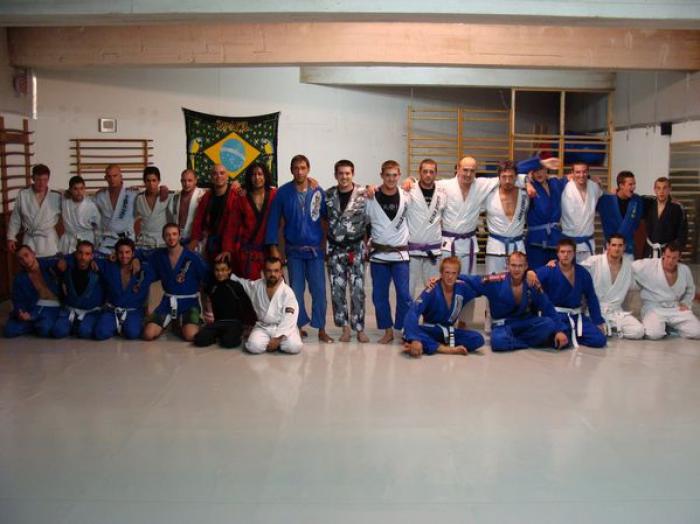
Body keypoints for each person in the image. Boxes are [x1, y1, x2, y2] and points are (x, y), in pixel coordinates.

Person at [265, 154, 333, 342]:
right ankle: (298, 325)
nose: (300, 171)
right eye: (296, 168)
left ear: (308, 169)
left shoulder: (317, 191)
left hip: (315, 251)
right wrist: (273, 246)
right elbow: (273, 221)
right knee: (295, 291)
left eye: (303, 168)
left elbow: (328, 217)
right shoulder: (283, 193)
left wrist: (329, 246)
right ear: (291, 170)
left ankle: (321, 328)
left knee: (319, 290)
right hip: (294, 251)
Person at [461, 251, 568, 351]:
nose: (517, 269)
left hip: (525, 322)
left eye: (520, 266)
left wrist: (560, 330)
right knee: (497, 341)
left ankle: (514, 341)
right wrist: (453, 277)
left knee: (548, 324)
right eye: (513, 265)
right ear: (507, 265)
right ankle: (531, 342)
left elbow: (547, 306)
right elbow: (472, 280)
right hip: (503, 324)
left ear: (526, 266)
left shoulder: (531, 282)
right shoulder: (495, 281)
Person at [366, 160, 412, 344]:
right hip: (379, 255)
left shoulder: (406, 196)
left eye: (394, 175)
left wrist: (412, 179)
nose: (391, 179)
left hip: (400, 255)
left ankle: (403, 328)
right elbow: (353, 190)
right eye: (387, 175)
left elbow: (429, 185)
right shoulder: (371, 197)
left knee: (404, 295)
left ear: (399, 175)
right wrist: (368, 187)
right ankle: (387, 330)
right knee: (379, 296)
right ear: (381, 176)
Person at [403, 256, 484, 358]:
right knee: (408, 332)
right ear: (441, 273)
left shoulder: (462, 289)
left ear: (458, 274)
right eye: (447, 272)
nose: (450, 277)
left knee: (477, 338)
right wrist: (414, 339)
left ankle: (427, 345)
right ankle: (444, 349)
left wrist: (462, 278)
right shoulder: (432, 289)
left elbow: (481, 285)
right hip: (430, 331)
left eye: (454, 273)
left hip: (448, 333)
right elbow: (413, 312)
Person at [325, 159, 370, 343]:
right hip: (335, 249)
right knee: (337, 290)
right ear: (335, 175)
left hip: (356, 248)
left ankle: (359, 328)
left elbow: (370, 220)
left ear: (353, 174)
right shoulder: (328, 195)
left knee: (357, 290)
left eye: (347, 173)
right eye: (341, 173)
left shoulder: (364, 194)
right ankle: (344, 328)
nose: (344, 177)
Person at [536, 238, 607, 348]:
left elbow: (591, 297)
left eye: (569, 252)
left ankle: (569, 334)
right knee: (554, 339)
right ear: (557, 254)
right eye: (562, 252)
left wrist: (598, 321)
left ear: (574, 254)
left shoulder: (582, 273)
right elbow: (530, 278)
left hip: (576, 317)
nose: (566, 255)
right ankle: (565, 334)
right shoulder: (549, 270)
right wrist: (530, 273)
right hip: (556, 316)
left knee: (599, 339)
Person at [143, 223, 208, 342]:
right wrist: (136, 260)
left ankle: (184, 322)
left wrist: (207, 308)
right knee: (148, 334)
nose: (171, 237)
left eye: (174, 234)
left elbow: (206, 279)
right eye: (167, 235)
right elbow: (140, 253)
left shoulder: (193, 257)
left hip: (189, 303)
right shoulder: (158, 255)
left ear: (179, 236)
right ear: (163, 237)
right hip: (167, 303)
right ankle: (171, 322)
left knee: (191, 335)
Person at [230, 257, 304, 354]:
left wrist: (278, 339)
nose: (272, 274)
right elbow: (243, 283)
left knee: (294, 346)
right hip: (264, 327)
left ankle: (276, 342)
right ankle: (275, 344)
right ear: (264, 272)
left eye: (276, 271)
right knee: (253, 346)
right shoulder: (257, 286)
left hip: (282, 327)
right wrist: (230, 276)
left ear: (281, 272)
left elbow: (290, 318)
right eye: (269, 271)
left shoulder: (287, 292)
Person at [218, 162, 277, 280]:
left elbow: (292, 190)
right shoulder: (242, 198)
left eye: (260, 174)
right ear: (249, 178)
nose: (257, 177)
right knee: (251, 287)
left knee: (275, 286)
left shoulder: (274, 195)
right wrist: (227, 249)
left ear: (265, 176)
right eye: (253, 175)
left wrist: (310, 181)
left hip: (270, 250)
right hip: (249, 253)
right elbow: (231, 226)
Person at [579, 234, 644, 339]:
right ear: (608, 246)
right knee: (592, 331)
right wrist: (555, 263)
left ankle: (611, 330)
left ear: (624, 247)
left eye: (620, 245)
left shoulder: (628, 266)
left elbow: (644, 277)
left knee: (638, 331)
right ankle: (608, 329)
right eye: (614, 245)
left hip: (616, 312)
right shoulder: (594, 261)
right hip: (596, 311)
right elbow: (575, 269)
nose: (617, 249)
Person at [632, 242, 700, 339]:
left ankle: (670, 328)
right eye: (668, 257)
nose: (670, 261)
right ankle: (661, 327)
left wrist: (685, 302)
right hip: (654, 307)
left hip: (675, 307)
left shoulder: (684, 270)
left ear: (679, 257)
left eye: (674, 258)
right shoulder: (650, 265)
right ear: (663, 254)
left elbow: (690, 289)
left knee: (697, 332)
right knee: (653, 334)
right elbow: (629, 267)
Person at [93, 238, 155, 340]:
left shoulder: (143, 269)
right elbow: (92, 254)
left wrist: (138, 257)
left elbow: (157, 254)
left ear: (133, 253)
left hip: (133, 311)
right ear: (116, 253)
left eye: (127, 252)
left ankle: (123, 326)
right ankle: (116, 326)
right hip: (112, 311)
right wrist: (108, 256)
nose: (124, 256)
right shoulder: (109, 265)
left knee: (133, 333)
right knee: (100, 333)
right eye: (120, 252)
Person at [404, 158, 446, 298]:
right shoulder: (409, 190)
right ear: (419, 172)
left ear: (436, 174)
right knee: (407, 291)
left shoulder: (442, 192)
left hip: (433, 249)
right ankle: (408, 313)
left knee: (433, 291)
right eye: (425, 171)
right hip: (412, 250)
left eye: (431, 172)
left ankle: (431, 313)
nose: (428, 175)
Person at [3, 245, 61, 338]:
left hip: (52, 306)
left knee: (44, 329)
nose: (25, 260)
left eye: (26, 255)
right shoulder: (19, 278)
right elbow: (17, 299)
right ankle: (36, 321)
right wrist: (20, 313)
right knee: (9, 330)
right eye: (21, 259)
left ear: (33, 254)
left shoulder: (49, 265)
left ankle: (38, 322)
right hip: (34, 306)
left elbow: (69, 259)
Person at [194, 258, 254, 349]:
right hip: (218, 322)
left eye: (223, 270)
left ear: (229, 270)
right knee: (199, 339)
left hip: (234, 323)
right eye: (217, 270)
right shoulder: (212, 286)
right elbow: (203, 295)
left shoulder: (235, 286)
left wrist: (244, 325)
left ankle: (229, 335)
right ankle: (219, 335)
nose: (220, 273)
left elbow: (246, 305)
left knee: (228, 342)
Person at [519, 155, 566, 269]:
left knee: (554, 274)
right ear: (531, 172)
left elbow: (575, 177)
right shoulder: (529, 186)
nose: (539, 173)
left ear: (547, 170)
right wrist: (541, 162)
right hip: (536, 241)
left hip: (554, 240)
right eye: (535, 170)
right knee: (535, 275)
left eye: (542, 169)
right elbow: (517, 168)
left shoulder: (555, 183)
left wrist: (591, 178)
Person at [51, 240, 104, 339]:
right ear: (75, 254)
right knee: (58, 332)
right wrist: (63, 259)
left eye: (87, 254)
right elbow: (56, 259)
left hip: (90, 312)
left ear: (92, 256)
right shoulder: (68, 268)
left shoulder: (98, 269)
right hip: (70, 310)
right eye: (80, 253)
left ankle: (77, 326)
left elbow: (108, 257)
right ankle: (74, 325)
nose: (83, 257)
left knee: (85, 332)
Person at [7, 163, 62, 257]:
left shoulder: (56, 196)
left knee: (51, 264)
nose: (42, 183)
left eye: (45, 180)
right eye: (39, 179)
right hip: (30, 240)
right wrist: (11, 237)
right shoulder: (24, 195)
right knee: (29, 263)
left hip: (49, 241)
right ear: (33, 178)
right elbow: (16, 217)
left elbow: (70, 212)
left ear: (48, 179)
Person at [484, 161, 529, 274]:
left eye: (511, 177)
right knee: (493, 281)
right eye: (504, 177)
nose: (507, 181)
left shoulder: (525, 194)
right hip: (495, 247)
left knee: (519, 281)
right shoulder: (489, 195)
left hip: (518, 245)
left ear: (516, 177)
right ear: (498, 177)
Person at [189, 164, 238, 262]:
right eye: (215, 174)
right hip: (211, 243)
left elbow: (234, 225)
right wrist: (194, 239)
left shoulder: (235, 196)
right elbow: (198, 220)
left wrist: (227, 248)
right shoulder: (206, 196)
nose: (218, 176)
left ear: (227, 176)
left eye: (222, 173)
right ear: (211, 177)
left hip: (231, 244)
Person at [560, 162, 604, 262]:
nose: (581, 175)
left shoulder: (594, 187)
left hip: (588, 242)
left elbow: (603, 197)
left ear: (588, 172)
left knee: (588, 270)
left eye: (584, 172)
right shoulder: (564, 187)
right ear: (572, 173)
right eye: (578, 172)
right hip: (569, 242)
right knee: (568, 270)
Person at [94, 164, 139, 255]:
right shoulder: (100, 196)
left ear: (121, 177)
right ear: (105, 178)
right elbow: (85, 206)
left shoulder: (132, 195)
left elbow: (149, 196)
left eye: (115, 176)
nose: (112, 179)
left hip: (127, 240)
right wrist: (68, 193)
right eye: (109, 176)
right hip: (107, 241)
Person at [597, 170, 643, 259]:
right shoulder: (605, 200)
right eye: (630, 184)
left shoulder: (637, 200)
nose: (633, 187)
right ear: (621, 185)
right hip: (609, 249)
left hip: (628, 249)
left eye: (634, 184)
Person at [641, 177, 688, 258]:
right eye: (658, 188)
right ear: (654, 190)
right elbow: (632, 198)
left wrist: (674, 253)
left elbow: (683, 234)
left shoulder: (677, 208)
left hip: (668, 252)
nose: (661, 191)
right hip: (649, 249)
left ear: (670, 189)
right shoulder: (649, 203)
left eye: (664, 188)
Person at [58, 175, 100, 255]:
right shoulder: (65, 201)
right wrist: (65, 192)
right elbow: (55, 192)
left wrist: (97, 244)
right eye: (75, 189)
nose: (79, 192)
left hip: (86, 239)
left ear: (84, 189)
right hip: (69, 239)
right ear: (70, 190)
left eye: (81, 188)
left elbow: (97, 227)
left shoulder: (91, 205)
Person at [135, 166, 171, 251]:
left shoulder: (168, 197)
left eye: (154, 180)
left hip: (161, 241)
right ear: (144, 181)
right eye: (148, 181)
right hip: (143, 242)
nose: (151, 184)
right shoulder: (139, 198)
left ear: (159, 181)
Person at [168, 168, 206, 245]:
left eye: (190, 180)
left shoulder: (203, 195)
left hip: (196, 238)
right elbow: (172, 217)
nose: (186, 184)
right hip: (178, 237)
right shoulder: (175, 197)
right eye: (183, 181)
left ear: (195, 180)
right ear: (181, 181)